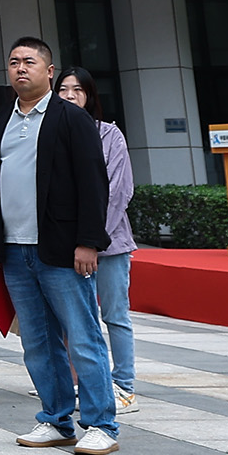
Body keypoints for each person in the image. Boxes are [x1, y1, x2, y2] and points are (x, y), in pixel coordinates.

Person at [0, 38, 118, 455]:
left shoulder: (71, 119)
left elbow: (94, 184)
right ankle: (56, 419)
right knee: (37, 342)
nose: (21, 68)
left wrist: (89, 242)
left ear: (49, 71)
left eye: (30, 62)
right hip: (14, 250)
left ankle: (102, 424)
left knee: (83, 338)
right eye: (14, 62)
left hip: (61, 249)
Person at [59, 68, 138, 414]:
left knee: (115, 315)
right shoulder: (51, 133)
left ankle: (124, 386)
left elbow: (120, 192)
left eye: (78, 89)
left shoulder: (109, 135)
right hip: (68, 245)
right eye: (63, 89)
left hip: (110, 244)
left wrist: (91, 239)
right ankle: (81, 384)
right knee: (75, 320)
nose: (70, 95)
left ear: (90, 95)